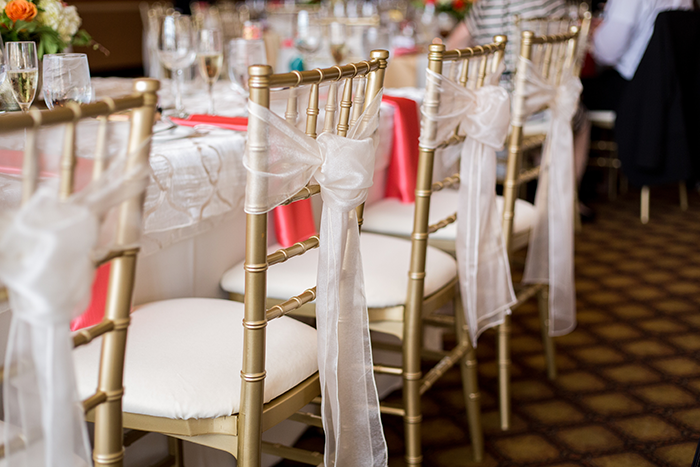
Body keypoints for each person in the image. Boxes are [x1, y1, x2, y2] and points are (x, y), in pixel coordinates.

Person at [583, 0, 694, 111]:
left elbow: (607, 54)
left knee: (574, 92)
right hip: (676, 90)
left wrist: (596, 34)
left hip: (633, 91)